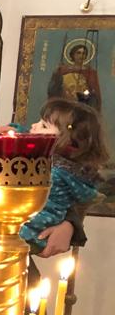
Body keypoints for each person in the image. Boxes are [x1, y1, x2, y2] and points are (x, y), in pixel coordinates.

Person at [18, 98, 108, 251]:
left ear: (65, 141)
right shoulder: (64, 169)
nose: (33, 126)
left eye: (43, 126)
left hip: (29, 230)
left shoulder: (51, 172)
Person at [48, 42, 102, 111]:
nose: (81, 55)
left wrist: (85, 95)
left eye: (84, 53)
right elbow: (54, 88)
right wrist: (56, 74)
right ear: (73, 54)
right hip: (65, 104)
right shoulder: (63, 70)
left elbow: (94, 92)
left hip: (82, 105)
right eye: (78, 53)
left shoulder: (90, 72)